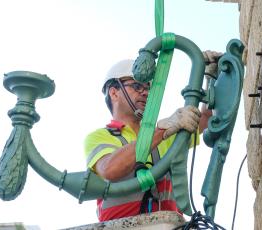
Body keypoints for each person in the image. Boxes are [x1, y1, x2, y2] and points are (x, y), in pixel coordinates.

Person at [85, 52, 220, 221]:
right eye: (136, 86)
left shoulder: (164, 133)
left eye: (148, 88)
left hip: (166, 225)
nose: (145, 93)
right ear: (114, 93)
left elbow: (205, 119)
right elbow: (110, 170)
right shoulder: (100, 137)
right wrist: (162, 131)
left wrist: (209, 76)